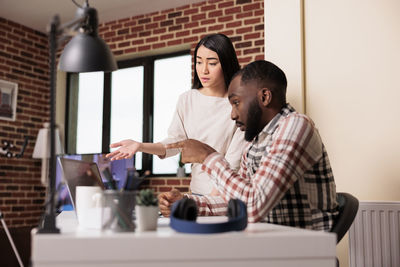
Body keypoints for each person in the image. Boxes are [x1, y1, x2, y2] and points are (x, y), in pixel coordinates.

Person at [159, 60, 338, 231]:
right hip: (271, 244)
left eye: (236, 103)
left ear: (264, 97)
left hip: (303, 249)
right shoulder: (255, 143)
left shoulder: (296, 125)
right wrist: (187, 203)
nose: (233, 115)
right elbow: (239, 201)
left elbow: (253, 207)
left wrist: (208, 156)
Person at [106, 34, 247, 195]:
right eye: (199, 62)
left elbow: (233, 163)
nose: (204, 69)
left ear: (227, 64)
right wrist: (140, 146)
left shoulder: (238, 105)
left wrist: (209, 203)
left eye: (212, 63)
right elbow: (174, 144)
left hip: (227, 195)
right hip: (197, 193)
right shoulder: (187, 99)